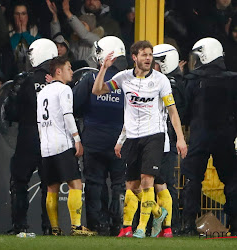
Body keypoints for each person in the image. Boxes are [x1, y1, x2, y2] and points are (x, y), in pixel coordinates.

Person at [92, 40, 188, 238]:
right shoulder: (123, 77)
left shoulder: (161, 80)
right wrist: (103, 69)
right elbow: (97, 90)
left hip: (154, 136)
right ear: (134, 57)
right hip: (133, 138)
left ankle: (141, 228)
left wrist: (180, 138)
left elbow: (172, 111)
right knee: (131, 187)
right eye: (144, 55)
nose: (148, 59)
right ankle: (151, 216)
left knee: (147, 181)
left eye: (150, 55)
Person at [180, 37, 237, 236]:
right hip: (225, 137)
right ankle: (234, 223)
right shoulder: (232, 79)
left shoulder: (193, 80)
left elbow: (184, 112)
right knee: (232, 179)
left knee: (193, 179)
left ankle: (188, 225)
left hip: (199, 136)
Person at [72, 36, 127, 236]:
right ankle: (121, 224)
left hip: (94, 140)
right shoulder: (130, 80)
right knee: (120, 185)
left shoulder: (91, 79)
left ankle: (98, 225)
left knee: (95, 184)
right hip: (122, 140)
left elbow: (74, 106)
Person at [37, 56, 97, 236]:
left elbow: (39, 121)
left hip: (46, 146)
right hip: (62, 144)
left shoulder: (42, 92)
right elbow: (68, 115)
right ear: (58, 71)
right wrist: (77, 139)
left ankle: (55, 228)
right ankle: (77, 227)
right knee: (76, 184)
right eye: (69, 68)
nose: (71, 71)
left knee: (52, 187)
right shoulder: (64, 90)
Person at [5, 38, 57, 235]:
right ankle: (50, 227)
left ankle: (20, 226)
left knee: (19, 181)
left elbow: (10, 110)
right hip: (51, 139)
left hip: (28, 137)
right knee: (49, 185)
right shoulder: (59, 81)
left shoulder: (25, 79)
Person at [153, 44, 187, 236]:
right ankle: (165, 224)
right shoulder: (177, 82)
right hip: (163, 139)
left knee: (164, 182)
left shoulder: (171, 85)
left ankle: (169, 224)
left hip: (166, 139)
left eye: (156, 63)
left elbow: (173, 114)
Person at [8, 0, 42, 73]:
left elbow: (36, 50)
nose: (20, 18)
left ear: (27, 16)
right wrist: (18, 33)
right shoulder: (8, 33)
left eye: (23, 14)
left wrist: (24, 33)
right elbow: (9, 50)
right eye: (17, 14)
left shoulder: (35, 33)